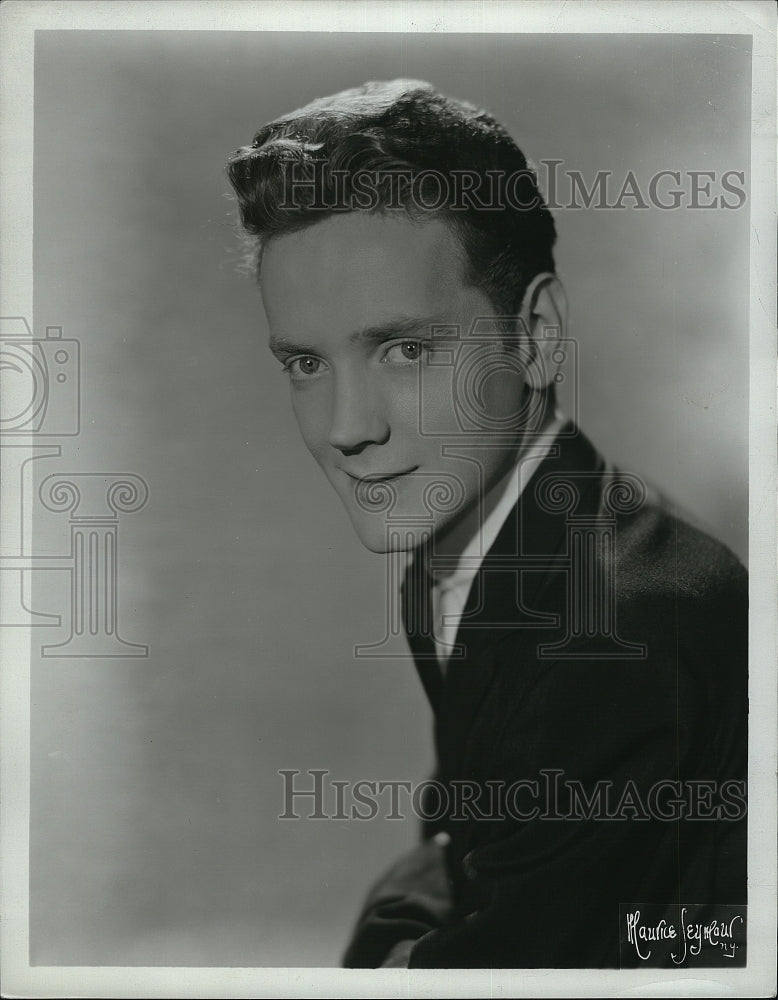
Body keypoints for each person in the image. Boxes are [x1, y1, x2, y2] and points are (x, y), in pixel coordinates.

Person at [226, 79, 748, 969]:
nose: (349, 427)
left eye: (407, 349)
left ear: (536, 335)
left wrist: (402, 929)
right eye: (307, 362)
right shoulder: (480, 543)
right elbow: (468, 827)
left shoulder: (615, 625)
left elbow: (532, 966)